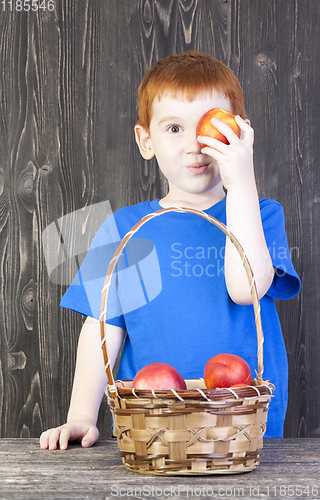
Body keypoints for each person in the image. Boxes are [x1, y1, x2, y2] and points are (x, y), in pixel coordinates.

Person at [40, 50, 300, 450]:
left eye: (211, 126)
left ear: (241, 133)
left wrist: (242, 178)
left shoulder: (261, 214)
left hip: (242, 425)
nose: (196, 144)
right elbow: (103, 328)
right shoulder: (126, 228)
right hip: (151, 424)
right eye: (175, 129)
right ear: (146, 141)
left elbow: (244, 288)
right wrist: (80, 416)